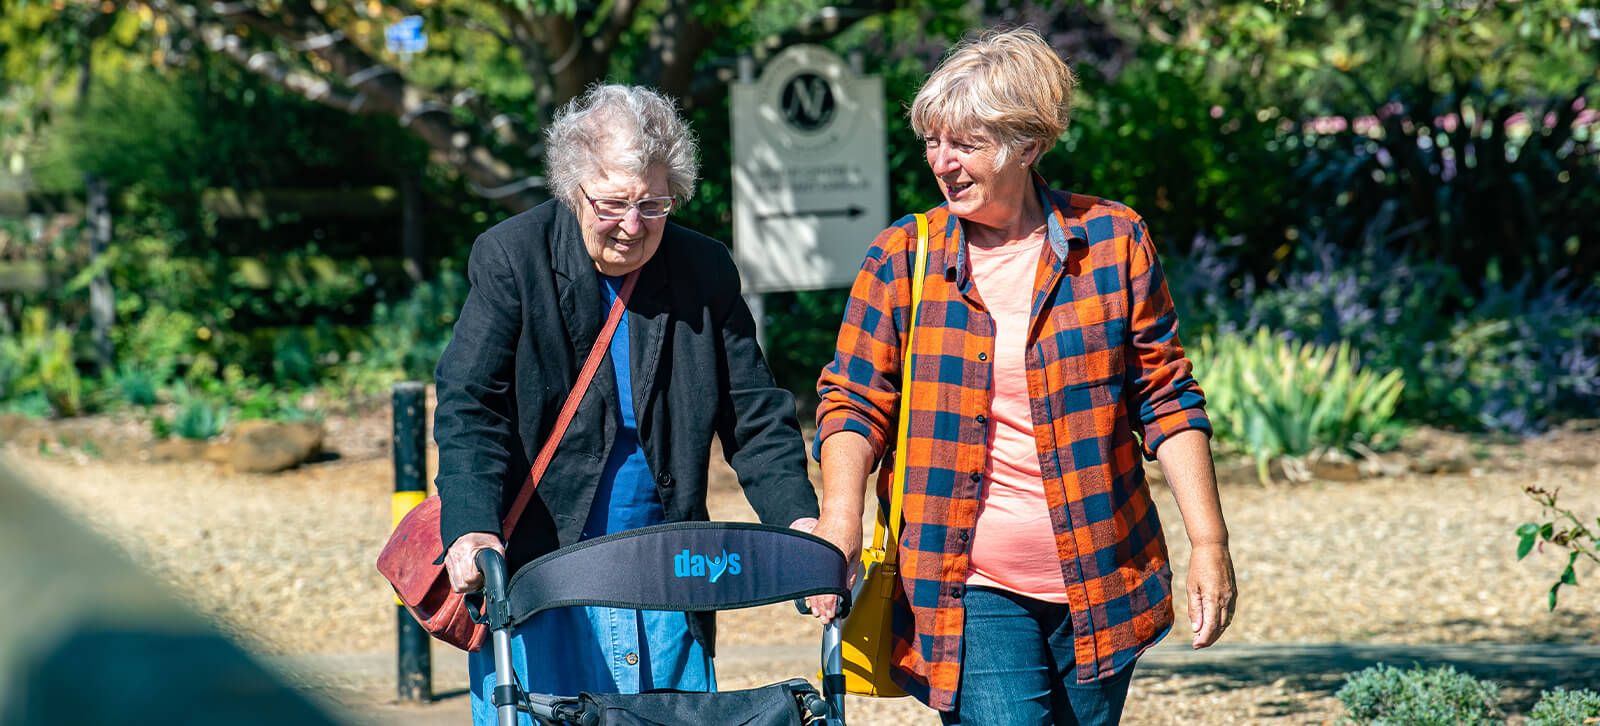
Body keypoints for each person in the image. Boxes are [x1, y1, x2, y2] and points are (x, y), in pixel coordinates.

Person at [810, 27, 1238, 726]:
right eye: (932, 141)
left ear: (1030, 145)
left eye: (965, 144)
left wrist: (1210, 544)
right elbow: (854, 402)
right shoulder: (901, 258)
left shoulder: (1112, 242)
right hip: (964, 585)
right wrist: (839, 518)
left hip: (1105, 576)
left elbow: (1165, 397)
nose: (941, 163)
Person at [432, 84, 855, 726]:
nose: (633, 225)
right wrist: (471, 526)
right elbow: (471, 406)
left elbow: (755, 413)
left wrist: (799, 525)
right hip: (545, 564)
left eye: (653, 205)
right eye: (613, 204)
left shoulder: (702, 269)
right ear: (574, 188)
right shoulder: (513, 257)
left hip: (667, 568)